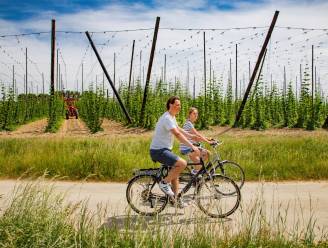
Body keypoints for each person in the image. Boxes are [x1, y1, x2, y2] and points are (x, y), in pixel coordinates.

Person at [150, 96, 200, 208]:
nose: (179, 107)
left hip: (164, 150)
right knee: (182, 164)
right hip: (158, 151)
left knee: (175, 173)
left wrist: (192, 136)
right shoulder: (167, 118)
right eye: (177, 105)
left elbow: (180, 130)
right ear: (170, 105)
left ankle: (175, 200)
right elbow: (177, 134)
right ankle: (164, 183)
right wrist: (191, 145)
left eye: (180, 105)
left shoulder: (172, 117)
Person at [179, 107, 214, 174]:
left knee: (201, 162)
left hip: (189, 147)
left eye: (197, 114)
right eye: (194, 114)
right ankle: (195, 172)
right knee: (207, 154)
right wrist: (208, 142)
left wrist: (208, 138)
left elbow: (196, 137)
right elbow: (197, 134)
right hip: (187, 148)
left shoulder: (190, 124)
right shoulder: (188, 124)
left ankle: (196, 172)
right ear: (189, 115)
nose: (196, 115)